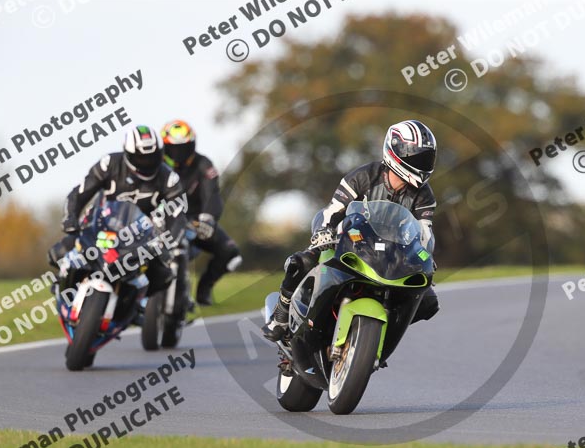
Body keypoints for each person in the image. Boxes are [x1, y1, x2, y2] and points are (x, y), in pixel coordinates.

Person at [263, 120, 441, 342]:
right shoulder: (364, 176)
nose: (422, 164)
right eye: (416, 158)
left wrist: (424, 255)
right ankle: (280, 316)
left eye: (426, 158)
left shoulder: (424, 195)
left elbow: (424, 232)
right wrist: (324, 232)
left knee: (428, 301)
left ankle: (378, 334)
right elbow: (333, 210)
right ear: (395, 152)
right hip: (348, 240)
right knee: (302, 262)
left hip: (392, 254)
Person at [51, 125, 186, 297]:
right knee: (58, 252)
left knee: (163, 275)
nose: (147, 162)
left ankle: (137, 304)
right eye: (141, 157)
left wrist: (167, 243)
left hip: (141, 239)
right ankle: (63, 285)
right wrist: (70, 218)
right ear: (128, 153)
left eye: (151, 157)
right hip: (101, 228)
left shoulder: (169, 178)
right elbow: (79, 194)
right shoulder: (109, 164)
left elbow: (178, 216)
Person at [160, 120, 242, 306]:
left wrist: (208, 219)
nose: (179, 153)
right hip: (162, 221)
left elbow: (212, 194)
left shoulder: (203, 164)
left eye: (184, 147)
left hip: (193, 221)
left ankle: (204, 288)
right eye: (174, 148)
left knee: (230, 252)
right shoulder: (156, 165)